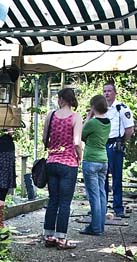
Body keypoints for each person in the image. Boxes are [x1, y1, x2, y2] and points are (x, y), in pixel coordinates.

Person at [43, 87, 83, 249]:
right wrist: (79, 156)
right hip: (68, 164)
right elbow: (76, 142)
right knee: (65, 202)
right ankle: (61, 239)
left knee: (53, 200)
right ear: (71, 100)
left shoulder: (51, 116)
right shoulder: (76, 117)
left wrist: (52, 147)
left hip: (51, 162)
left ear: (61, 99)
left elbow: (45, 138)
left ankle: (48, 236)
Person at [80, 95, 111, 235]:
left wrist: (88, 117)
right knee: (102, 193)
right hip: (103, 160)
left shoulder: (92, 123)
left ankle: (95, 227)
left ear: (93, 107)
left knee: (93, 195)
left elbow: (81, 135)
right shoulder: (108, 122)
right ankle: (101, 225)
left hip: (91, 159)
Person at [103, 82, 135, 218]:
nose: (106, 93)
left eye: (109, 91)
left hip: (116, 145)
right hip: (102, 145)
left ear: (115, 93)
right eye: (104, 91)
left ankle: (118, 207)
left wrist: (122, 141)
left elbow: (129, 129)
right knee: (102, 177)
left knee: (116, 178)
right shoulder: (101, 108)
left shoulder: (121, 108)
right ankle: (101, 206)